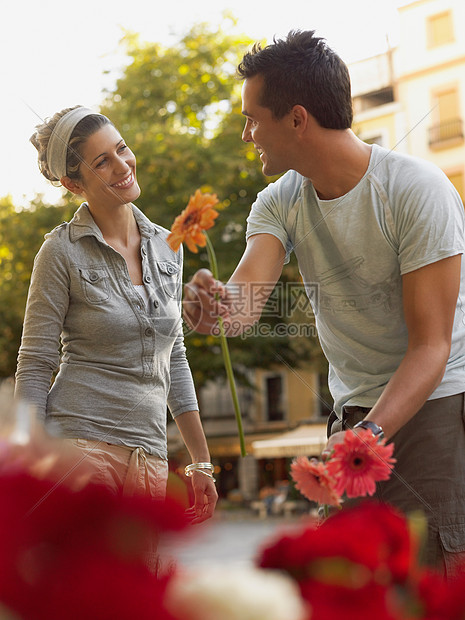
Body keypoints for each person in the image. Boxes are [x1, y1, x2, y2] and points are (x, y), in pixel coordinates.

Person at [183, 31, 465, 576]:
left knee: (431, 577)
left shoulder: (417, 189)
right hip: (356, 417)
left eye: (251, 118)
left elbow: (431, 347)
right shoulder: (278, 202)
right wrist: (211, 308)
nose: (246, 135)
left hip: (436, 406)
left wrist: (366, 439)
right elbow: (242, 307)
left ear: (296, 119)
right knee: (343, 581)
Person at [15, 105, 217, 524]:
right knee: (87, 584)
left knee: (139, 581)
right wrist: (30, 459)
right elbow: (35, 364)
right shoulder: (60, 252)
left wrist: (200, 462)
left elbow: (174, 357)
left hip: (150, 453)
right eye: (102, 161)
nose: (123, 165)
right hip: (78, 446)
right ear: (74, 183)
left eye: (122, 149)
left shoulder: (168, 246)